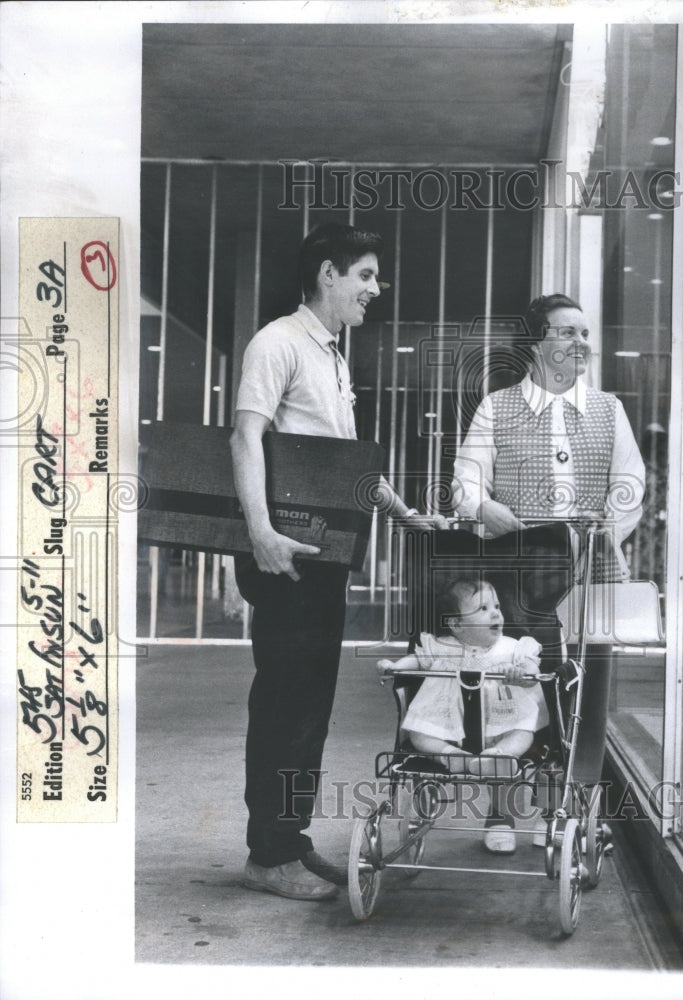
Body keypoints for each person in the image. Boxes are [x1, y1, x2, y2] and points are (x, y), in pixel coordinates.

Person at [231, 222, 443, 901]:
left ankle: (288, 843)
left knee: (309, 707)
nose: (374, 291)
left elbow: (340, 467)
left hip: (323, 554)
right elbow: (245, 436)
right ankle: (267, 856)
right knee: (286, 705)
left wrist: (404, 514)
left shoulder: (330, 356)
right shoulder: (278, 342)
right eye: (366, 277)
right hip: (284, 554)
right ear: (328, 274)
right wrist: (260, 531)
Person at [453, 293, 645, 834]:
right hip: (519, 571)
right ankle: (501, 810)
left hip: (591, 571)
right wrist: (481, 505)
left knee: (584, 687)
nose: (581, 343)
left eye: (585, 334)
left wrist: (599, 534)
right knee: (510, 684)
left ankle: (570, 809)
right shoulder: (498, 406)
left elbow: (631, 486)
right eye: (567, 333)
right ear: (537, 345)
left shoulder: (608, 409)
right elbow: (467, 481)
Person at [377, 577, 544, 854]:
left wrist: (522, 675)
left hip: (501, 717)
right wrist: (395, 666)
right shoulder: (442, 645)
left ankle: (501, 761)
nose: (495, 613)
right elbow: (418, 661)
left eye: (497, 606)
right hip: (449, 723)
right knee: (419, 732)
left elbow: (532, 671)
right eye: (482, 609)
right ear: (456, 625)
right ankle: (449, 756)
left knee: (522, 731)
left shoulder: (513, 647)